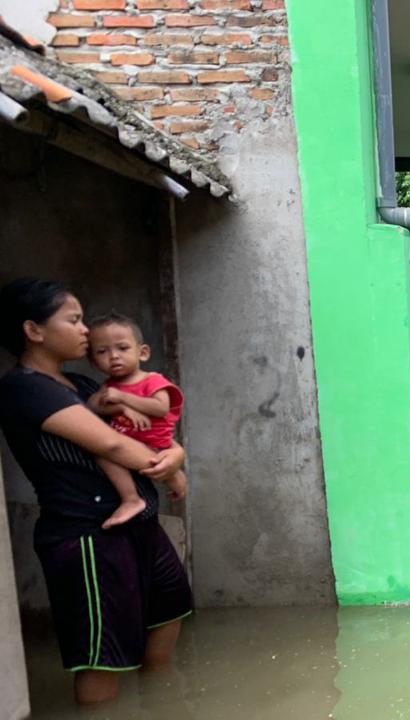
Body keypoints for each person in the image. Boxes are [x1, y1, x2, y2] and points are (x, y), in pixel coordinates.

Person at [0, 278, 191, 704]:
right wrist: (169, 470)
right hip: (89, 534)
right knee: (102, 654)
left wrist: (175, 455)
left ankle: (162, 706)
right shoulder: (25, 389)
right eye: (73, 320)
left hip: (139, 524)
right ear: (33, 330)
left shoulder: (83, 386)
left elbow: (152, 432)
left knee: (169, 611)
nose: (86, 330)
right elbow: (111, 444)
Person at [85, 312, 186, 530]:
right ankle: (131, 498)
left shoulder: (152, 380)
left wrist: (122, 398)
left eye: (122, 348)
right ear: (93, 362)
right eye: (102, 351)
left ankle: (172, 480)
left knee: (163, 470)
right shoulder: (109, 385)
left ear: (143, 353)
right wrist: (120, 407)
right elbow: (92, 406)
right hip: (128, 439)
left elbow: (161, 408)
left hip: (153, 442)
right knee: (101, 453)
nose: (114, 356)